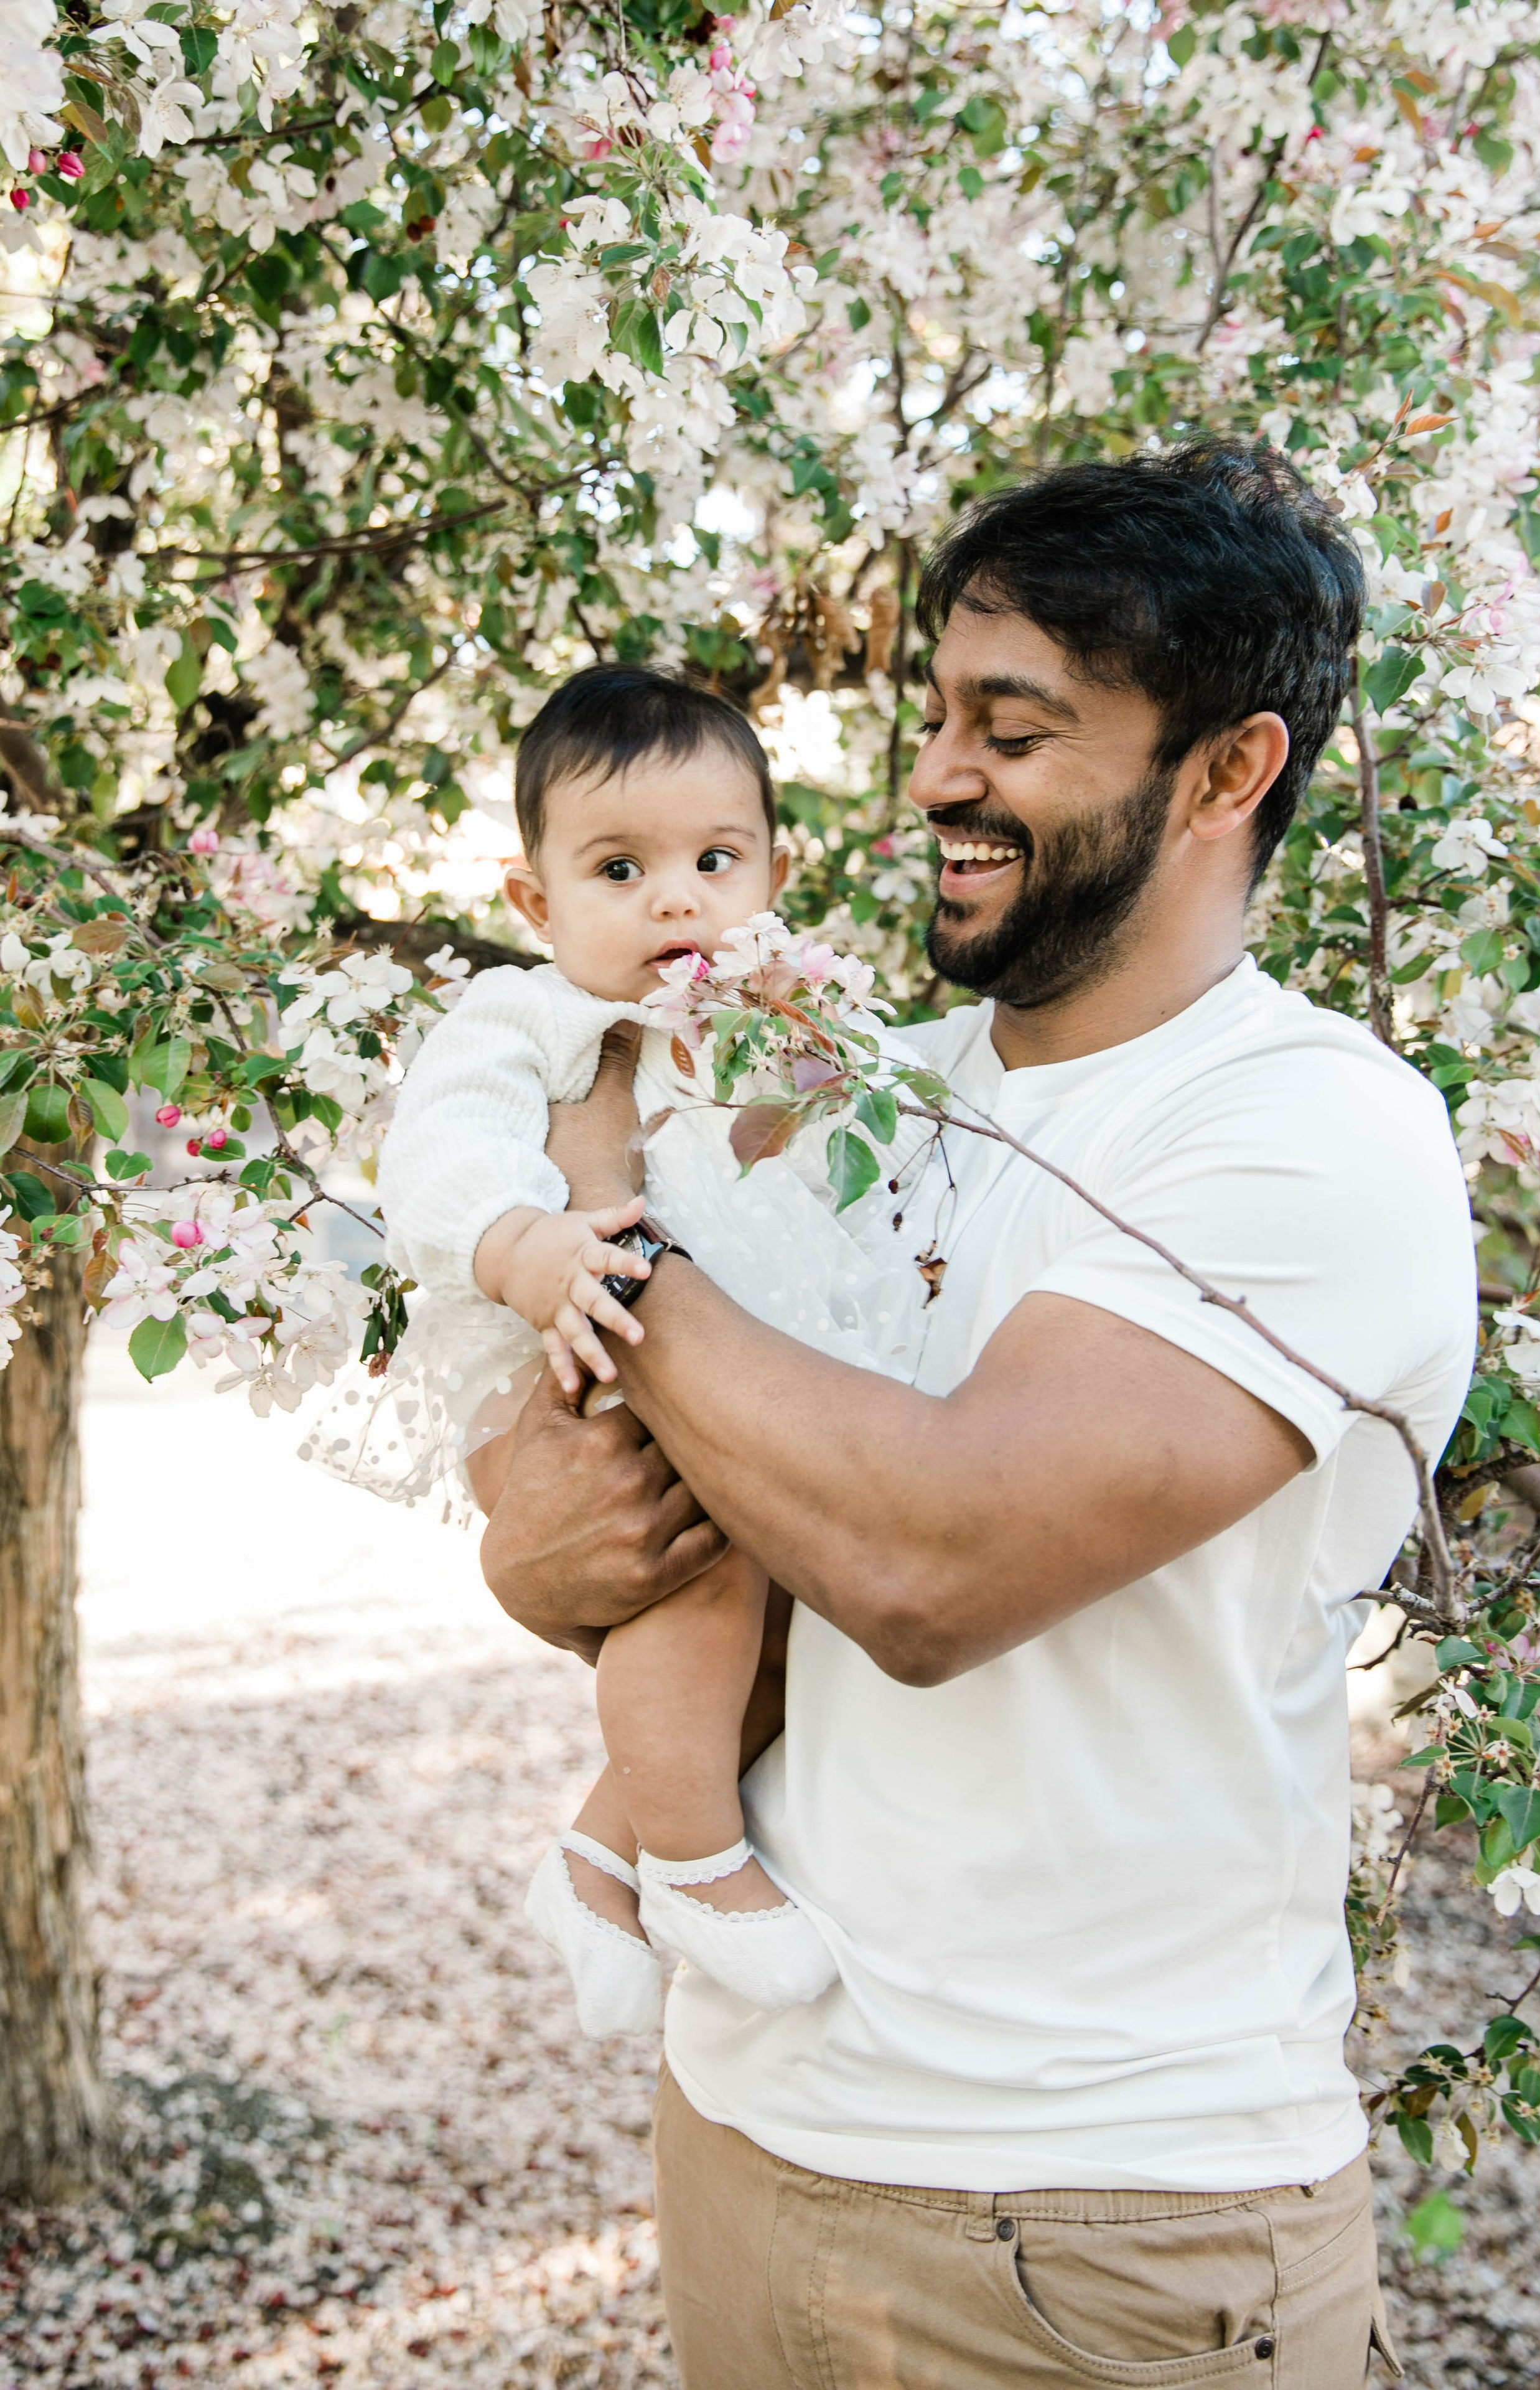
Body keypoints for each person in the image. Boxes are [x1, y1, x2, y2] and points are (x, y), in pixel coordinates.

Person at [476, 441, 1477, 2387]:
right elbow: (579, 1511)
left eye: (1014, 731)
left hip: (1097, 2222)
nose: (937, 776)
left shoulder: (1311, 1129)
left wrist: (608, 1258)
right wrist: (536, 1547)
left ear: (1225, 772)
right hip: (749, 2130)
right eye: (939, 716)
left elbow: (923, 1564)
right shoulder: (870, 1087)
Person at [374, 665, 935, 2038]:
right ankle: (696, 1858)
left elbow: (879, 1169)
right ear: (534, 903)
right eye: (618, 868)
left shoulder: (790, 1023)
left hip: (701, 1371)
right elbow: (438, 1150)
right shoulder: (535, 1023)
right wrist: (525, 1245)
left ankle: (598, 1857)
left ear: (771, 874)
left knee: (781, 1614)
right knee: (705, 1557)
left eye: (712, 860)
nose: (674, 900)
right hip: (569, 1366)